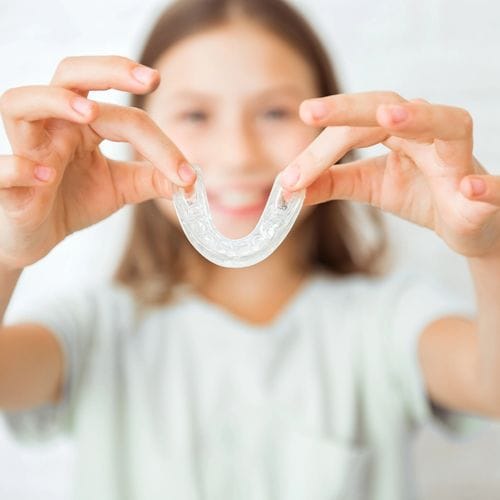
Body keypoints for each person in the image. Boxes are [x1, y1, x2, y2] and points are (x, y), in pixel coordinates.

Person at [1, 0, 500, 498]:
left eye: (274, 112)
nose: (239, 154)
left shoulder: (387, 320)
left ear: (333, 136)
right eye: (195, 113)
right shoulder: (94, 329)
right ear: (132, 139)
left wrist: (489, 249)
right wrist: (8, 253)